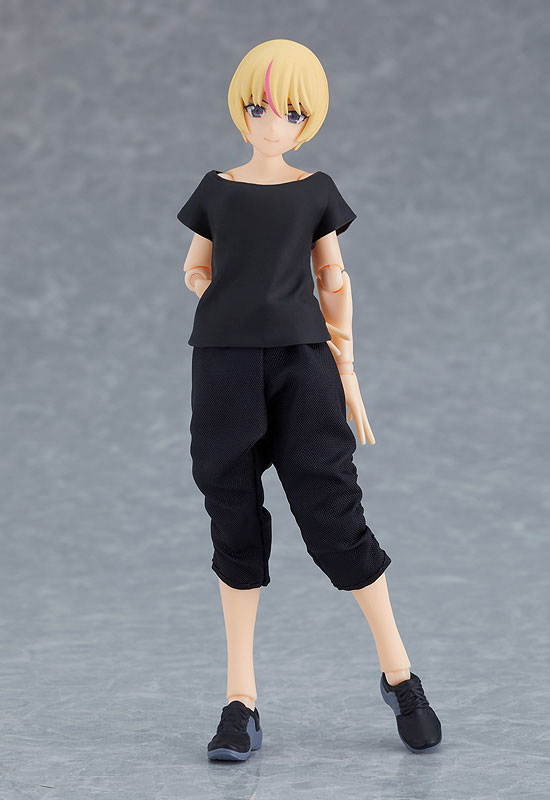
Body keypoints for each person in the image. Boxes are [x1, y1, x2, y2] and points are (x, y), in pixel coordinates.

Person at [177, 38, 442, 760]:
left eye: (291, 112)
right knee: (231, 513)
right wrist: (219, 294)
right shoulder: (215, 189)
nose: (273, 123)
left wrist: (348, 372)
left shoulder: (316, 190)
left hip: (304, 364)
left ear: (308, 120)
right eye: (261, 107)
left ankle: (400, 674)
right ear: (241, 109)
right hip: (224, 365)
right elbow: (195, 267)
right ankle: (240, 701)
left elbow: (335, 280)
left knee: (334, 511)